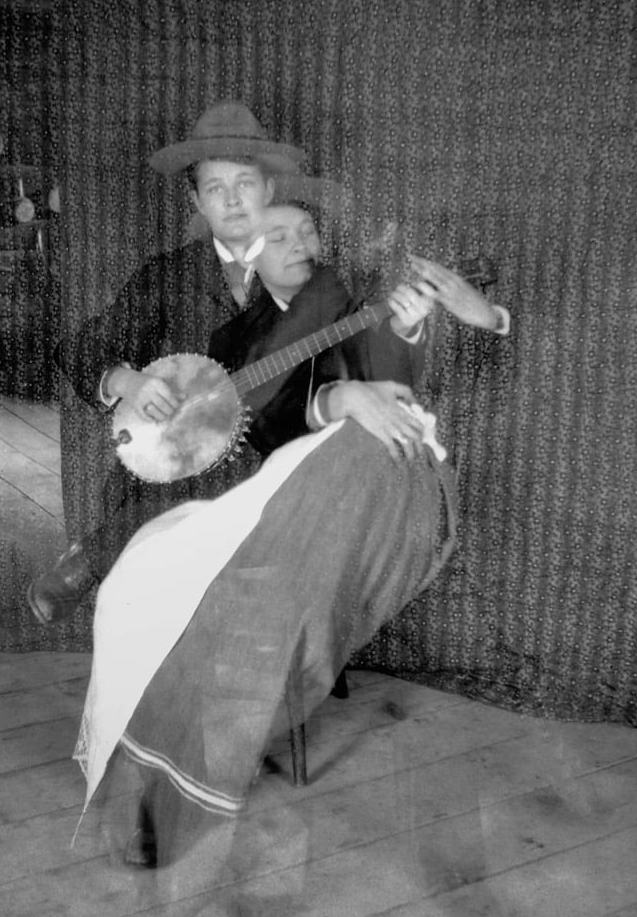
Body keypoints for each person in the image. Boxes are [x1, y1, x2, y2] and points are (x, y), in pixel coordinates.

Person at [74, 205, 511, 871]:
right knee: (185, 590)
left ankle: (184, 787)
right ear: (246, 252)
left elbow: (394, 380)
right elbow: (253, 416)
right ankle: (166, 765)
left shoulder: (348, 298)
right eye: (277, 235)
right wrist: (336, 401)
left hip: (344, 480)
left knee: (270, 605)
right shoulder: (234, 332)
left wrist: (434, 321)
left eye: (306, 231)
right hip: (256, 488)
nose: (299, 243)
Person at [26, 105, 441, 625]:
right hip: (176, 470)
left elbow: (371, 367)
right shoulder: (168, 276)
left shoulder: (319, 282)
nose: (231, 199)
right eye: (215, 187)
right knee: (193, 492)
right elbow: (82, 347)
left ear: (269, 190)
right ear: (196, 199)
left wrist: (404, 326)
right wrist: (127, 380)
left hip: (286, 466)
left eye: (244, 183)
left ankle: (95, 557)